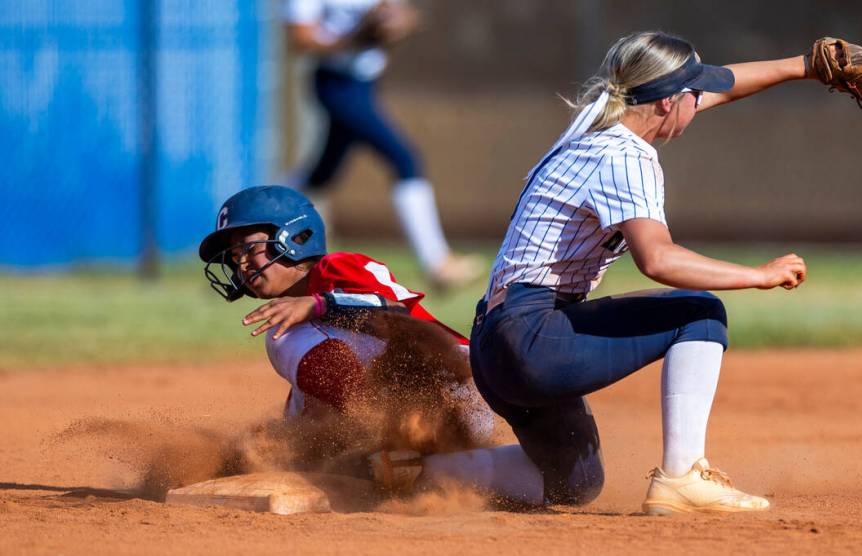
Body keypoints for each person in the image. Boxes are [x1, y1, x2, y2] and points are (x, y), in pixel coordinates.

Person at [468, 31, 812, 515]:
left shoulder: (595, 126)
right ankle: (682, 476)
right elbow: (658, 260)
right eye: (695, 93)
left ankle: (416, 473)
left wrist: (807, 65)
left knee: (574, 481)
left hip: (494, 346)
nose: (704, 99)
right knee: (699, 313)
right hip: (532, 337)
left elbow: (727, 85)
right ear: (669, 102)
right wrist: (758, 275)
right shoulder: (626, 156)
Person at [199, 185, 542, 503]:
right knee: (545, 481)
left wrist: (320, 304)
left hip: (451, 388)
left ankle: (380, 442)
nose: (240, 263)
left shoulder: (336, 268)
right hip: (430, 421)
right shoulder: (311, 340)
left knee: (282, 336)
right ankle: (416, 469)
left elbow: (395, 313)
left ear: (294, 237)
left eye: (248, 248)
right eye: (233, 256)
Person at [284, 0, 480, 289]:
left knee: (322, 173)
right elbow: (299, 39)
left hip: (365, 84)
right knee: (405, 159)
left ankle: (262, 212)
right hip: (337, 85)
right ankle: (437, 262)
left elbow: (405, 15)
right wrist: (353, 38)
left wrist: (396, 23)